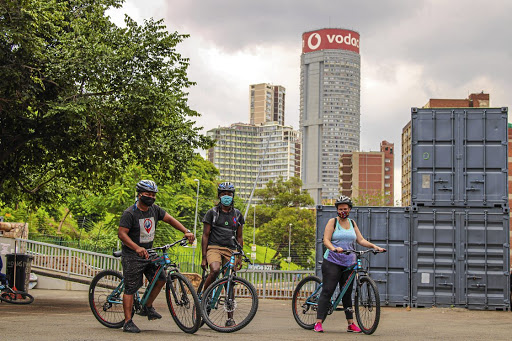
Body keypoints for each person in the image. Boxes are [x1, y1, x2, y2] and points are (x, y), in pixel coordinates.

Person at [118, 180, 194, 333]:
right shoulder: (130, 213)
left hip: (148, 252)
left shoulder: (155, 210)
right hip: (132, 254)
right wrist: (136, 247)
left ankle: (147, 306)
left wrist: (186, 231)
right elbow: (122, 234)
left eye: (153, 195)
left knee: (161, 278)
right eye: (148, 194)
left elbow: (170, 219)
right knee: (131, 287)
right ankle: (127, 322)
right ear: (139, 195)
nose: (151, 197)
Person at [314, 195, 385, 333]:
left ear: (350, 209)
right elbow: (326, 240)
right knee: (328, 290)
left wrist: (374, 247)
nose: (343, 211)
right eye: (340, 209)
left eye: (345, 209)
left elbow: (361, 240)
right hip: (333, 261)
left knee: (347, 293)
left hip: (348, 262)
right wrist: (334, 248)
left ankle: (350, 324)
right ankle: (318, 322)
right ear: (337, 210)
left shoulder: (352, 223)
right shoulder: (332, 222)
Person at [201, 181, 244, 327]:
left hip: (230, 250)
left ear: (233, 196)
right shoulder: (212, 213)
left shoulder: (237, 214)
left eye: (229, 194)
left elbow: (239, 237)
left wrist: (239, 256)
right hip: (214, 247)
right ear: (219, 196)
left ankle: (230, 318)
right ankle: (204, 297)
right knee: (215, 270)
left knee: (229, 281)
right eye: (224, 194)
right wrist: (203, 257)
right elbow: (205, 235)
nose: (227, 196)